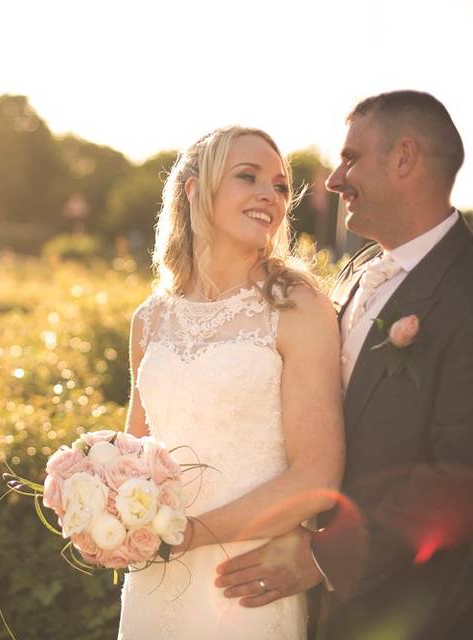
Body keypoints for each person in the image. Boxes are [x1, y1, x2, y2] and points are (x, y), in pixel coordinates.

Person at [213, 91, 473, 639]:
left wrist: (322, 558)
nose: (332, 179)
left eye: (351, 159)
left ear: (403, 159)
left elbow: (463, 482)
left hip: (422, 611)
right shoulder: (358, 273)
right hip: (323, 608)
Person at [118, 126, 345, 639]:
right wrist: (101, 510)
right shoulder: (149, 319)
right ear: (195, 189)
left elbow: (316, 477)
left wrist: (188, 536)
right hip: (154, 575)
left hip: (247, 578)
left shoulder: (298, 305)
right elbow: (133, 457)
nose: (270, 194)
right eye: (249, 177)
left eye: (282, 186)